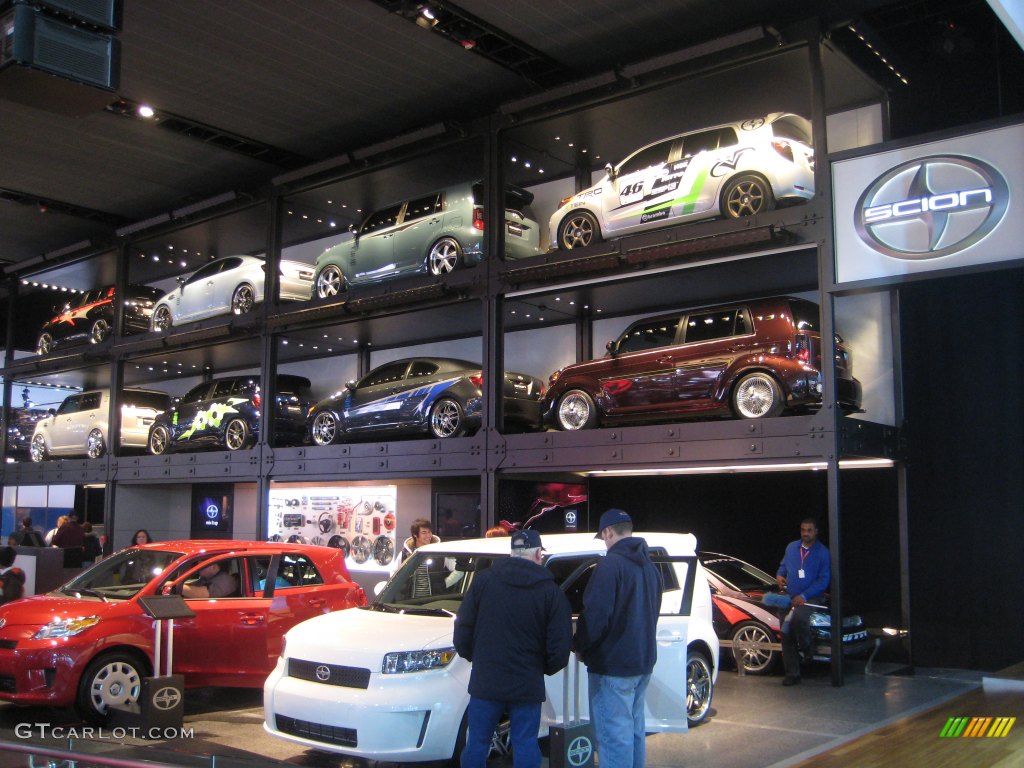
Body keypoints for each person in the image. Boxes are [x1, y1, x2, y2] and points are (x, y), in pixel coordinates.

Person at [454, 529, 572, 768]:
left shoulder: (483, 582)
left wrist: (477, 658)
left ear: (511, 552)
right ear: (538, 554)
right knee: (526, 743)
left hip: (486, 680)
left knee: (477, 742)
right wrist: (542, 668)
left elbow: (463, 629)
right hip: (526, 683)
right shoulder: (551, 592)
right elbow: (560, 646)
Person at [574, 508, 662, 768]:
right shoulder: (649, 566)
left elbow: (596, 616)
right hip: (642, 663)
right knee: (634, 732)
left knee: (613, 739)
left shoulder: (610, 566)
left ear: (608, 532)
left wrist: (580, 646)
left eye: (603, 537)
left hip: (612, 666)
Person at [776, 517, 831, 686]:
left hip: (811, 596)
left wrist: (805, 596)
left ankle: (807, 650)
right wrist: (780, 574)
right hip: (791, 595)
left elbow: (823, 580)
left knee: (799, 618)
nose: (805, 533)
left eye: (809, 530)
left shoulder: (822, 552)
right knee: (785, 632)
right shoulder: (792, 547)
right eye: (803, 530)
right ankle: (792, 674)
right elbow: (783, 565)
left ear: (816, 532)